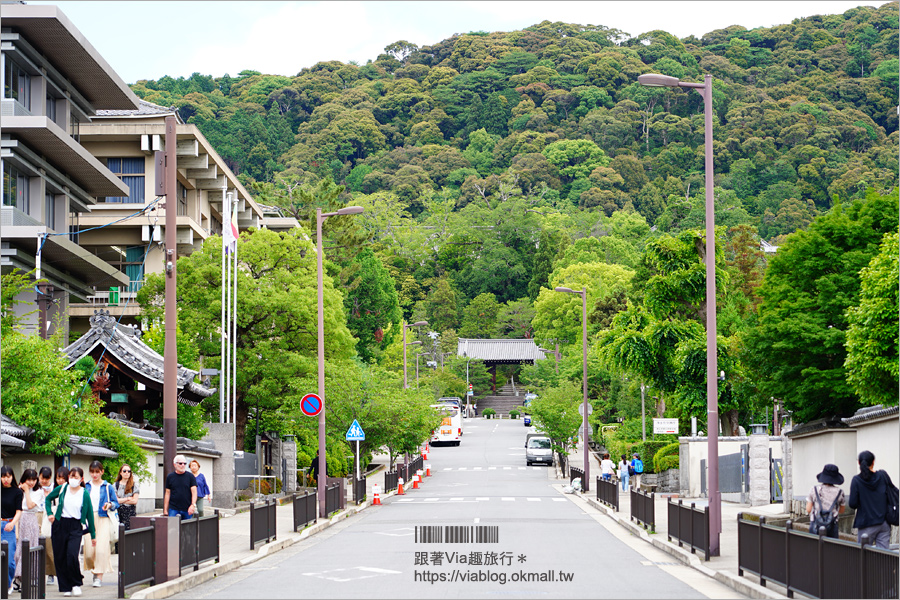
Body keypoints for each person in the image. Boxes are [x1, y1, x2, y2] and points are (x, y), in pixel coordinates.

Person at [45, 466, 96, 597]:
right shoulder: (62, 488)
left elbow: (89, 513)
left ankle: (76, 583)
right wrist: (50, 513)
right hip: (60, 524)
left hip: (76, 526)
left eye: (76, 477)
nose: (73, 479)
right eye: (71, 476)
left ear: (81, 479)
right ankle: (65, 586)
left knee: (72, 555)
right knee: (60, 557)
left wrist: (93, 534)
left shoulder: (84, 493)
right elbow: (48, 499)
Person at [849, 450, 895, 549]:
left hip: (866, 524)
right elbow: (893, 492)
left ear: (859, 463)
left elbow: (852, 503)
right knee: (883, 556)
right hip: (884, 523)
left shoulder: (856, 480)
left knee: (863, 557)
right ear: (873, 462)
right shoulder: (882, 475)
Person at [83, 461, 118, 588]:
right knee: (88, 552)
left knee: (101, 549)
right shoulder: (85, 486)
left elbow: (116, 502)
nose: (94, 474)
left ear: (102, 472)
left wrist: (110, 505)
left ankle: (98, 575)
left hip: (103, 518)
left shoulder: (107, 486)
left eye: (97, 472)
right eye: (92, 472)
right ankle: (94, 569)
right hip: (88, 519)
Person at [13, 469, 43, 589]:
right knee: (18, 548)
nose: (31, 482)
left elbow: (30, 505)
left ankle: (29, 577)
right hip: (18, 519)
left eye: (33, 480)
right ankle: (17, 578)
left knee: (30, 547)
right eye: (29, 479)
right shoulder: (17, 490)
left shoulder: (38, 492)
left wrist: (26, 491)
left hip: (30, 519)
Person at [805, 464, 846, 538]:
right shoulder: (840, 492)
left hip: (815, 525)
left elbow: (808, 509)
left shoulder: (814, 489)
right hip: (832, 526)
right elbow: (842, 510)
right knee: (831, 548)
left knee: (814, 548)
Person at [1, 466, 23, 590]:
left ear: (12, 477)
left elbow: (19, 511)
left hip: (9, 525)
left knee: (9, 560)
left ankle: (8, 583)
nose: (5, 479)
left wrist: (12, 523)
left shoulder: (17, 492)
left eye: (8, 476)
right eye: (3, 476)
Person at [38, 466, 57, 585]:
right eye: (42, 478)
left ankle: (51, 573)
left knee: (49, 547)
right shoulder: (35, 486)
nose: (44, 481)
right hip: (37, 516)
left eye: (47, 478)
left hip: (49, 517)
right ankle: (37, 573)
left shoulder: (54, 488)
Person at [164, 455, 197, 520]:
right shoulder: (170, 477)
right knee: (172, 528)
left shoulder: (190, 476)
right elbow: (167, 493)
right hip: (173, 508)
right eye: (180, 463)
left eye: (184, 463)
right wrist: (165, 509)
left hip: (187, 508)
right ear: (175, 464)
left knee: (187, 529)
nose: (183, 465)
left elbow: (194, 492)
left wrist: (193, 505)